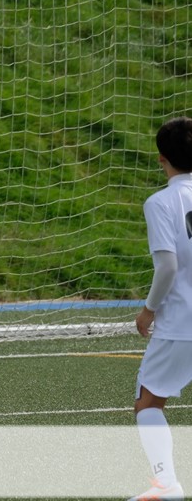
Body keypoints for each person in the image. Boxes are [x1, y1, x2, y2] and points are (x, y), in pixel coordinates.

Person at [127, 116, 192, 501]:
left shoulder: (162, 202)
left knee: (148, 402)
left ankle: (166, 485)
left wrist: (148, 311)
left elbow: (168, 266)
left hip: (182, 321)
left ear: (161, 158)